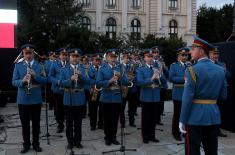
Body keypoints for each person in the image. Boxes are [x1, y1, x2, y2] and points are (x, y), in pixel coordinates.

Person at [179, 36, 227, 155]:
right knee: (211, 151)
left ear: (201, 51)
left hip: (195, 117)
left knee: (192, 151)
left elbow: (187, 98)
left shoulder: (191, 70)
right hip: (213, 116)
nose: (190, 51)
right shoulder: (220, 70)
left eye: (193, 48)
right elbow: (223, 95)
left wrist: (182, 120)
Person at [12, 44, 47, 153]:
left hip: (36, 98)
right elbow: (13, 81)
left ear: (33, 53)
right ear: (23, 53)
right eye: (26, 53)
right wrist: (22, 81)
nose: (28, 55)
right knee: (25, 124)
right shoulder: (18, 65)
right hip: (23, 99)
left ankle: (36, 143)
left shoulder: (39, 65)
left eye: (30, 53)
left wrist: (35, 75)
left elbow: (45, 81)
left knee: (36, 123)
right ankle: (26, 144)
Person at [96, 49, 129, 146]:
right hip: (106, 97)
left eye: (115, 57)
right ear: (107, 58)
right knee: (107, 119)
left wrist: (121, 78)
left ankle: (113, 137)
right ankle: (107, 137)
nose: (113, 59)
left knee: (115, 119)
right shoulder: (102, 68)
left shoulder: (121, 68)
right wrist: (109, 81)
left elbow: (127, 82)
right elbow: (98, 83)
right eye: (111, 57)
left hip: (117, 97)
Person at [60, 48, 90, 149]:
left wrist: (82, 76)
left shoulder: (84, 68)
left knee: (78, 123)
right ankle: (70, 141)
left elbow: (89, 81)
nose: (75, 58)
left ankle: (78, 141)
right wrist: (70, 80)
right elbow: (61, 83)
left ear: (80, 57)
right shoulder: (64, 69)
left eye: (77, 56)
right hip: (68, 98)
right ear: (69, 57)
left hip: (80, 98)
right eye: (73, 56)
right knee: (69, 123)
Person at [137, 49, 164, 144]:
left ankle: (152, 135)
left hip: (156, 96)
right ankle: (145, 136)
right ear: (144, 58)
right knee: (146, 118)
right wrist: (151, 78)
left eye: (151, 56)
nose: (150, 58)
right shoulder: (141, 69)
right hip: (146, 97)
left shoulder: (156, 67)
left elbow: (164, 83)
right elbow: (139, 82)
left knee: (154, 118)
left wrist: (161, 76)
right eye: (148, 56)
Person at [209, 47, 231, 137]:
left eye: (217, 54)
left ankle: (217, 130)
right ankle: (210, 130)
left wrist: (225, 71)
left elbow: (229, 76)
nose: (216, 56)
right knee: (211, 112)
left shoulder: (222, 64)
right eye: (214, 54)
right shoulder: (208, 64)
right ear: (209, 54)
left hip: (221, 93)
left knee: (219, 112)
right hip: (211, 93)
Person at [169, 47, 189, 141]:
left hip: (188, 94)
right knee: (177, 114)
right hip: (178, 93)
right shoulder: (174, 65)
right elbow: (172, 78)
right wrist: (184, 79)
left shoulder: (190, 65)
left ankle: (185, 131)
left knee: (187, 113)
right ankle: (175, 132)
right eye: (183, 55)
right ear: (178, 56)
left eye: (186, 55)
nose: (185, 57)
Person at [48, 48, 68, 133]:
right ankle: (60, 124)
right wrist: (56, 81)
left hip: (67, 89)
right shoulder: (54, 63)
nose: (64, 56)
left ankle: (68, 123)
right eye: (62, 54)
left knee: (67, 108)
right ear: (59, 55)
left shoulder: (70, 64)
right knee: (59, 108)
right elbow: (50, 76)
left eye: (66, 55)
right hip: (58, 89)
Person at [87, 53, 103, 130]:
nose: (97, 62)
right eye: (96, 60)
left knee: (102, 108)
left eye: (99, 60)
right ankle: (93, 124)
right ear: (92, 60)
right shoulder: (88, 69)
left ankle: (101, 124)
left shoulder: (103, 68)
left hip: (102, 91)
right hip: (93, 90)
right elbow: (87, 80)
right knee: (93, 109)